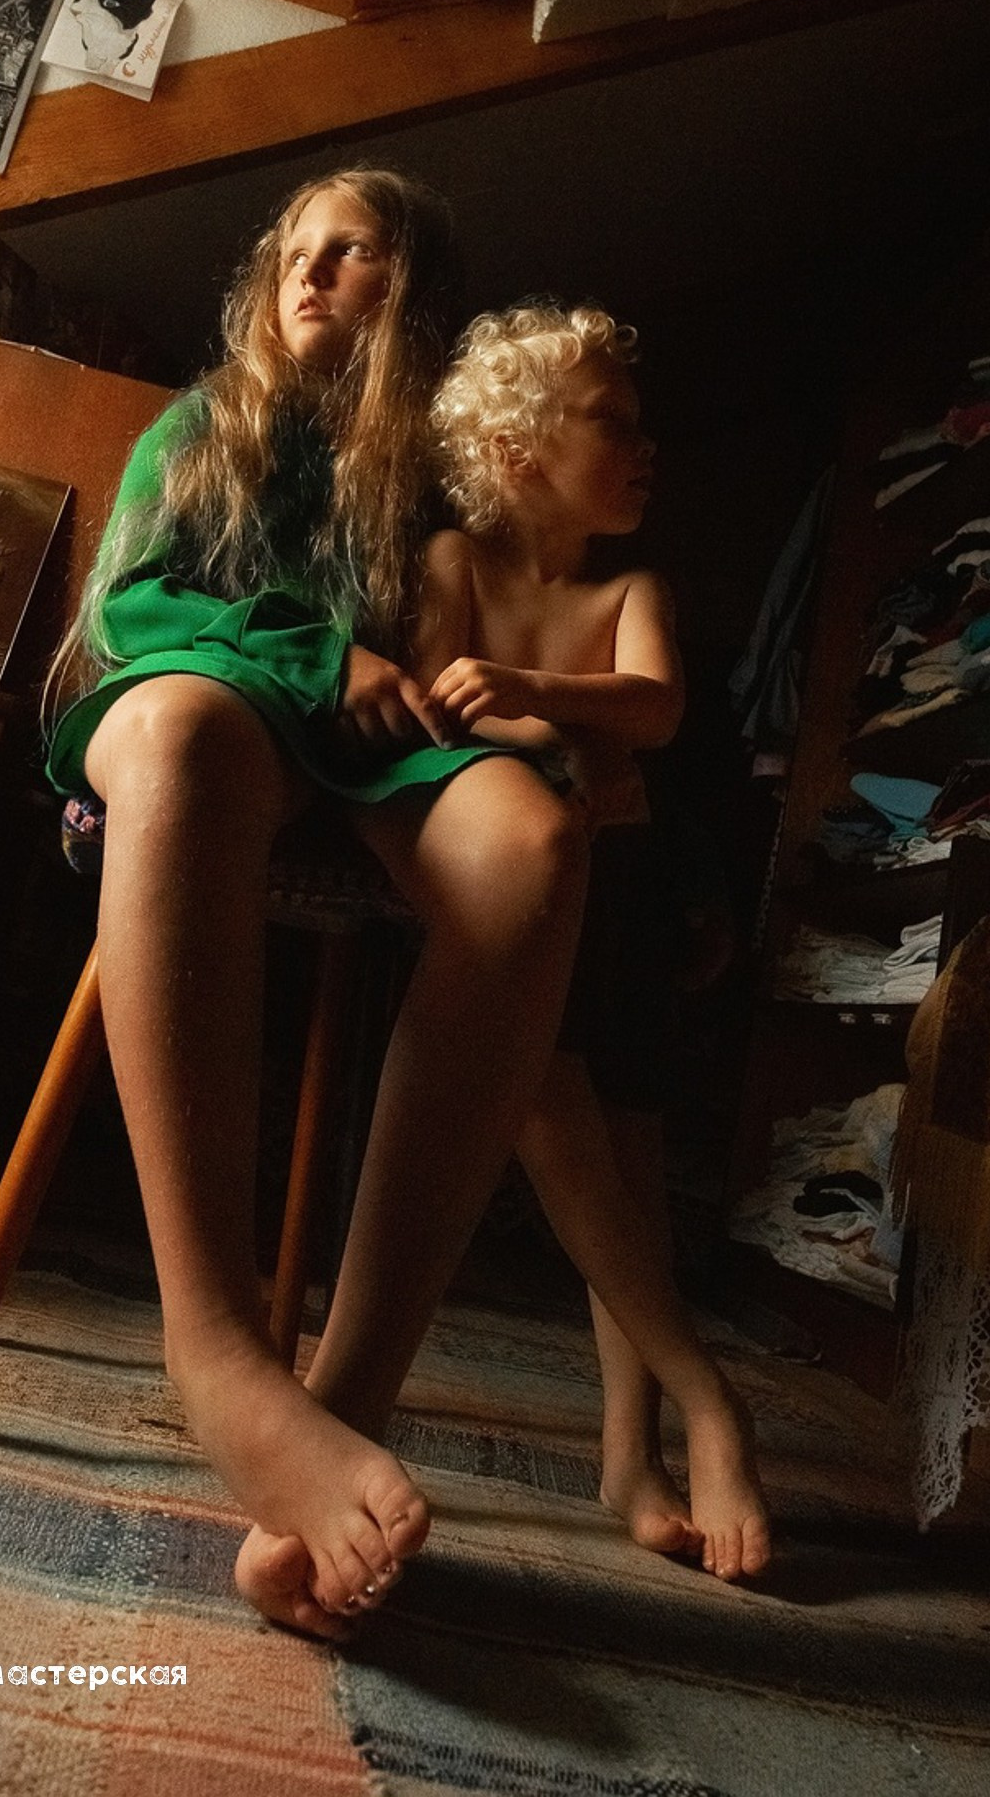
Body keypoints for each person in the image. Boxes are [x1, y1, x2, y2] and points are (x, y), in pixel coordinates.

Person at [46, 172, 590, 1638]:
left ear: (413, 292)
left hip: (371, 752)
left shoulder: (437, 478)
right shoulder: (202, 426)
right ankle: (216, 1351)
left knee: (533, 845)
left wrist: (505, 698)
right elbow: (129, 610)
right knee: (180, 730)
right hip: (205, 713)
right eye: (297, 250)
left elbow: (482, 635)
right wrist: (314, 657)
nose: (312, 270)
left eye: (352, 253)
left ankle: (340, 1411)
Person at [416, 301, 771, 1582]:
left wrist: (537, 696)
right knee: (550, 1107)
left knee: (630, 1145)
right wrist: (560, 733)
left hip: (622, 884)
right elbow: (433, 709)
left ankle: (631, 1450)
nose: (644, 444)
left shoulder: (634, 589)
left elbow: (656, 705)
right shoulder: (455, 561)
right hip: (509, 885)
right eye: (610, 420)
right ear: (518, 449)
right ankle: (710, 1394)